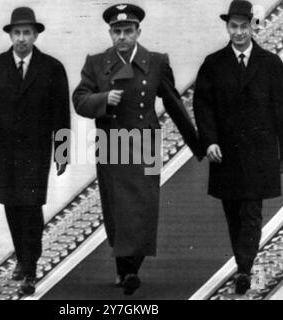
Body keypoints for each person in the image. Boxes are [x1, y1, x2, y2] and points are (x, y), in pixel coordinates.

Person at [73, 3, 203, 295]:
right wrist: (104, 98)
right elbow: (80, 100)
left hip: (144, 141)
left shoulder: (156, 62)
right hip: (111, 142)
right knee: (117, 210)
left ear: (138, 32)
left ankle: (131, 268)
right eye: (117, 31)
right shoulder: (95, 63)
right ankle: (126, 269)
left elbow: (173, 103)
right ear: (110, 33)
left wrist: (197, 144)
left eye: (128, 31)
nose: (122, 37)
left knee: (144, 208)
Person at [193, 0, 283, 295]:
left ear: (253, 27)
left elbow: (282, 110)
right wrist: (209, 140)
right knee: (234, 213)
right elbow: (203, 107)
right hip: (225, 153)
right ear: (227, 27)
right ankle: (243, 261)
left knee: (251, 211)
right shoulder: (213, 64)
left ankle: (244, 269)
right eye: (233, 26)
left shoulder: (270, 64)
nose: (238, 32)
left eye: (244, 26)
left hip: (260, 153)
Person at [0, 7, 70, 295]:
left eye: (27, 33)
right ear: (10, 35)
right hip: (2, 153)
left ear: (36, 35)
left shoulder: (52, 69)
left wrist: (61, 154)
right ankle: (23, 257)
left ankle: (29, 265)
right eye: (17, 33)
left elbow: (61, 114)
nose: (22, 39)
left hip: (35, 153)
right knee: (12, 207)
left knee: (30, 207)